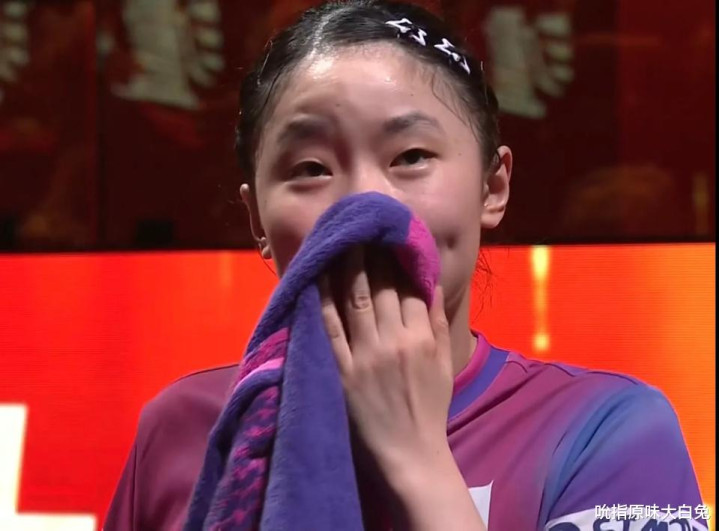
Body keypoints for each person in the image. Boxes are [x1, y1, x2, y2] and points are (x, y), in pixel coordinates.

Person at [104, 1, 707, 530]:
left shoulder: (606, 431)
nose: (365, 206)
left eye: (411, 156)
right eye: (310, 168)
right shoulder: (186, 428)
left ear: (493, 187)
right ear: (257, 219)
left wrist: (416, 459)